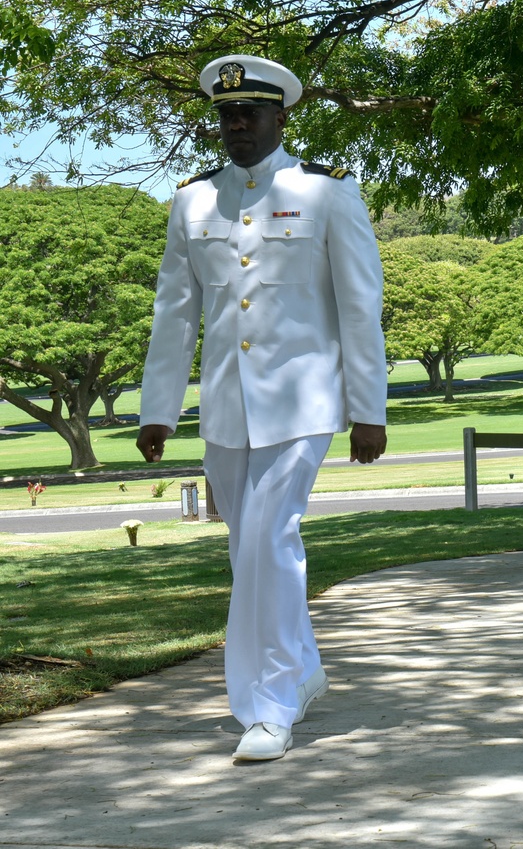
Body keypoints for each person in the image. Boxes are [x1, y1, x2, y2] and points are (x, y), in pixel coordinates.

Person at [136, 55, 388, 762]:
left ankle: (268, 703)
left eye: (250, 112)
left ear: (282, 117)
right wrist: (159, 409)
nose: (236, 124)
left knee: (271, 539)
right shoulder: (192, 202)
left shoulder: (327, 194)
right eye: (226, 114)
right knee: (247, 548)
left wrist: (369, 407)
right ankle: (302, 670)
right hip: (224, 406)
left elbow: (360, 307)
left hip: (304, 399)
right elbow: (175, 315)